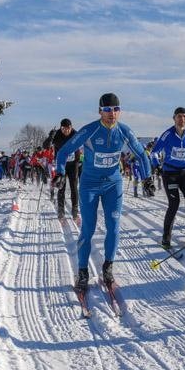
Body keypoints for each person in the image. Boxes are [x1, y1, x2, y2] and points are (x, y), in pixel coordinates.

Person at [54, 93, 155, 290]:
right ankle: (83, 271)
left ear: (120, 111)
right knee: (88, 228)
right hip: (90, 185)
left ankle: (108, 267)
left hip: (112, 185)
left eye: (115, 109)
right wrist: (59, 172)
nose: (112, 114)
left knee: (114, 226)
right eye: (107, 110)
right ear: (100, 111)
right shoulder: (90, 130)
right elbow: (64, 151)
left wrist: (147, 178)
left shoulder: (124, 131)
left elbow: (142, 155)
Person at [150, 107, 185, 248]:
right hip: (170, 174)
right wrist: (157, 166)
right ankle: (166, 237)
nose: (182, 119)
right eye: (179, 116)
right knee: (174, 204)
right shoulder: (167, 134)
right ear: (174, 118)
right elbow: (154, 152)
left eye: (184, 116)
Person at [51, 118, 81, 220]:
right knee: (61, 186)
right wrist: (50, 137)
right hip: (61, 165)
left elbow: (84, 144)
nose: (66, 131)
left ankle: (75, 211)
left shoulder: (76, 134)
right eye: (64, 129)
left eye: (68, 128)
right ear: (61, 128)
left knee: (74, 187)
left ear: (71, 127)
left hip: (73, 164)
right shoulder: (57, 134)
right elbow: (45, 146)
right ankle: (61, 211)